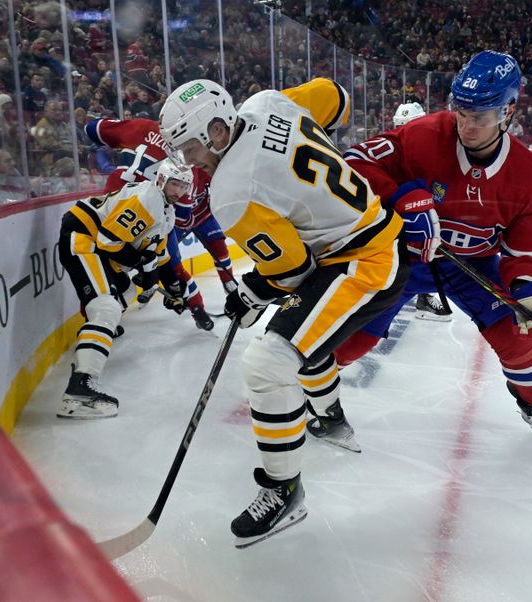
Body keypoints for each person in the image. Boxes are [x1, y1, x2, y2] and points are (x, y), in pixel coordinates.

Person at [159, 77, 410, 548]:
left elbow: (293, 269)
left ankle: (283, 489)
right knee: (299, 338)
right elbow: (336, 97)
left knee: (268, 361)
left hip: (364, 262)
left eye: (191, 148)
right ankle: (331, 418)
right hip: (358, 243)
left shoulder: (232, 191)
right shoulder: (268, 101)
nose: (189, 162)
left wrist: (251, 290)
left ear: (216, 130)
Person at [330, 50, 532, 453]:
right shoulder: (425, 134)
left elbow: (525, 255)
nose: (466, 125)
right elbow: (353, 161)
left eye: (479, 116)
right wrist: (400, 194)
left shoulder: (531, 177)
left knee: (520, 337)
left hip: (475, 266)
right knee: (353, 340)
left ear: (508, 110)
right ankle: (316, 396)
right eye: (461, 112)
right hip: (404, 257)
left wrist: (528, 292)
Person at [57, 160, 193, 419]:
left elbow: (159, 255)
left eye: (184, 185)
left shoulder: (165, 210)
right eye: (175, 183)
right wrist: (145, 266)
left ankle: (94, 338)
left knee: (126, 291)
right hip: (83, 237)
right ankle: (80, 389)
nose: (179, 191)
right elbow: (109, 241)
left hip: (96, 242)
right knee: (107, 307)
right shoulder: (148, 200)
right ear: (162, 180)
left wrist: (174, 286)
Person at [85, 115, 234, 326]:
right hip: (152, 214)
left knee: (101, 267)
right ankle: (195, 307)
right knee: (171, 266)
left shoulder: (143, 126)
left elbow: (92, 129)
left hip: (109, 208)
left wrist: (114, 149)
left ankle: (101, 320)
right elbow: (182, 220)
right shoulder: (190, 153)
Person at [393, 101, 451, 323]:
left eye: (410, 125)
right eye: (401, 125)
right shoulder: (393, 151)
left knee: (427, 247)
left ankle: (423, 297)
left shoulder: (433, 152)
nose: (404, 131)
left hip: (420, 218)